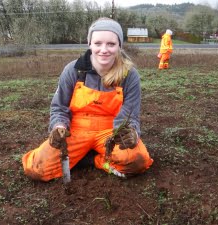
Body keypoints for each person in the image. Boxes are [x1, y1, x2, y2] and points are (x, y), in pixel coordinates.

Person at [22, 17, 153, 182]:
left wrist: (130, 133)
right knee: (37, 168)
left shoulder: (129, 75)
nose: (104, 50)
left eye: (111, 44)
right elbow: (59, 107)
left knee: (136, 160)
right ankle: (87, 157)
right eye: (98, 43)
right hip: (76, 131)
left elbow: (130, 114)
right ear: (89, 44)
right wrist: (59, 127)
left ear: (119, 45)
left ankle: (92, 160)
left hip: (111, 132)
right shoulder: (73, 70)